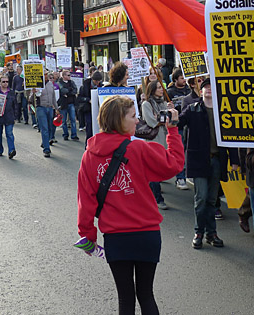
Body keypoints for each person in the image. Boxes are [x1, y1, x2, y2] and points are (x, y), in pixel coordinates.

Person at [77, 96, 183, 315]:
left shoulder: (89, 155)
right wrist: (172, 131)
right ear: (119, 120)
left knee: (125, 298)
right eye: (133, 117)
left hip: (116, 236)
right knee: (146, 294)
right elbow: (174, 164)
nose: (138, 121)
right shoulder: (139, 148)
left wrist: (88, 235)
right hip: (147, 233)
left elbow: (85, 200)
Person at [178, 78, 239, 249]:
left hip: (217, 160)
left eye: (212, 87)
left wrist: (234, 159)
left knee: (212, 200)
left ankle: (211, 233)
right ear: (201, 90)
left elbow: (230, 137)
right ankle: (198, 232)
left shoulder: (224, 111)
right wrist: (173, 115)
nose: (209, 89)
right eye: (206, 87)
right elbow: (179, 122)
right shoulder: (192, 109)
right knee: (201, 198)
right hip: (199, 160)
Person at [142, 80, 175, 210]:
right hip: (153, 140)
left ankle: (150, 189)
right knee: (154, 168)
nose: (162, 89)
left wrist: (170, 110)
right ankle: (157, 198)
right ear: (153, 89)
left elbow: (169, 119)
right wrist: (162, 118)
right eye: (159, 88)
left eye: (162, 87)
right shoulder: (146, 104)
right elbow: (152, 121)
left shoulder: (164, 103)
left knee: (159, 168)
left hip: (164, 139)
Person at [34, 72, 58, 157]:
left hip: (50, 108)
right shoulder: (37, 84)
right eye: (44, 74)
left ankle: (45, 142)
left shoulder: (50, 84)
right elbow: (31, 98)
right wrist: (34, 92)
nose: (46, 76)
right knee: (44, 128)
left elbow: (53, 97)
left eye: (46, 74)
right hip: (41, 108)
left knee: (50, 127)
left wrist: (56, 108)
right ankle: (46, 149)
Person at [77, 71, 103, 147]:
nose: (97, 83)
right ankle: (88, 145)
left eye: (99, 81)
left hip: (97, 110)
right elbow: (79, 98)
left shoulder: (101, 86)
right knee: (89, 127)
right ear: (92, 79)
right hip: (87, 109)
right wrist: (88, 100)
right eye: (96, 81)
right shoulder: (84, 86)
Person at [58, 69, 80, 141]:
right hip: (63, 104)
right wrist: (70, 90)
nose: (69, 76)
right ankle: (65, 134)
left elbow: (75, 90)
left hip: (71, 103)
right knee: (64, 121)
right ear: (64, 76)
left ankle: (74, 135)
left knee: (73, 120)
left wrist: (68, 92)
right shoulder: (60, 83)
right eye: (68, 75)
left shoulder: (72, 82)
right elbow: (62, 90)